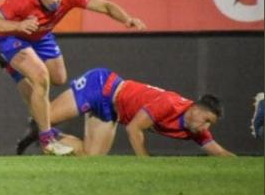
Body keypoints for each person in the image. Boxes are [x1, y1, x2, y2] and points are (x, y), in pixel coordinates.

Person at [0, 0, 146, 155]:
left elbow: (105, 6)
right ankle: (47, 138)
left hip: (41, 35)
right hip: (13, 36)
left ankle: (11, 67)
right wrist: (18, 25)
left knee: (58, 78)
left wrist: (127, 18)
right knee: (40, 77)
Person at [15, 67, 235, 157]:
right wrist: (144, 161)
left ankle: (46, 135)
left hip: (110, 110)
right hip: (101, 86)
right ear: (196, 109)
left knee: (91, 157)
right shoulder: (170, 103)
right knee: (44, 116)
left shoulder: (195, 128)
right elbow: (134, 128)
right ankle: (14, 71)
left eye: (210, 125)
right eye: (206, 120)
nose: (205, 127)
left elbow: (220, 152)